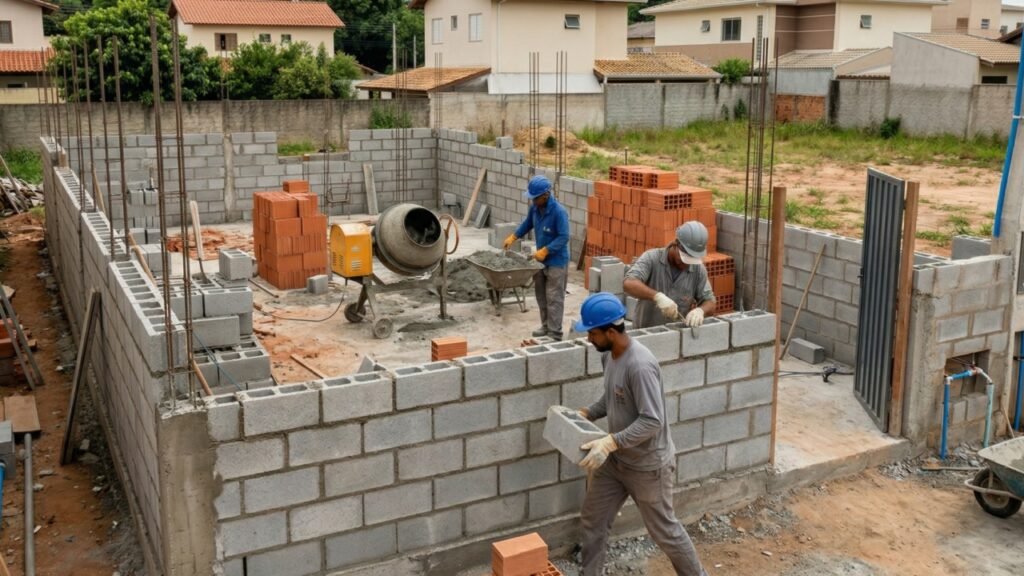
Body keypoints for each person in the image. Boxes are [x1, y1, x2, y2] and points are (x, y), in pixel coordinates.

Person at [575, 292, 708, 576]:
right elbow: (612, 398)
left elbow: (652, 420)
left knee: (665, 533)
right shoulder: (610, 356)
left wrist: (611, 441)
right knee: (593, 520)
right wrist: (588, 413)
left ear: (611, 331)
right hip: (616, 463)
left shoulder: (640, 365)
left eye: (593, 334)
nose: (589, 339)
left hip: (648, 466)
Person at [504, 175, 571, 340]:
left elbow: (564, 237)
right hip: (540, 260)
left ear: (546, 195)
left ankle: (555, 333)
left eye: (535, 198)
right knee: (541, 294)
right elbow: (528, 223)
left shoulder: (559, 212)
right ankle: (546, 325)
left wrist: (546, 250)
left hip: (556, 260)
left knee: (554, 296)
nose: (533, 201)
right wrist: (514, 236)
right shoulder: (535, 208)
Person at [623, 221, 716, 329]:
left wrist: (701, 311)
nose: (687, 263)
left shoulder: (698, 270)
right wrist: (657, 297)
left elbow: (710, 302)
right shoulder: (651, 258)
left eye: (692, 260)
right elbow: (629, 284)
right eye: (684, 258)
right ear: (676, 244)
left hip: (677, 337)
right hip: (645, 334)